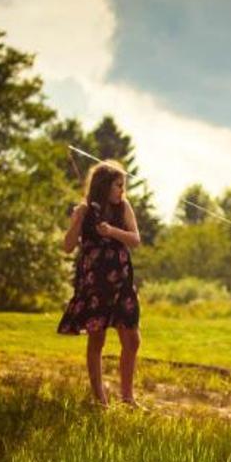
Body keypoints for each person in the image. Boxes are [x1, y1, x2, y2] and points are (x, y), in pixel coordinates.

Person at [57, 160, 141, 408]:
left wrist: (112, 232)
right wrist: (76, 221)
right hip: (94, 283)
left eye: (123, 185)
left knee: (132, 339)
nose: (122, 191)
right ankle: (100, 400)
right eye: (118, 185)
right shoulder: (85, 210)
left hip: (121, 281)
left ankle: (128, 398)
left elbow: (135, 239)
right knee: (97, 340)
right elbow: (68, 246)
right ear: (104, 186)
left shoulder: (123, 207)